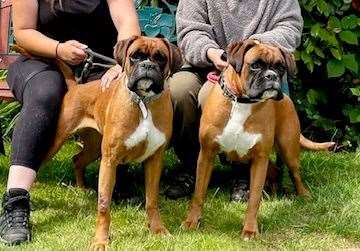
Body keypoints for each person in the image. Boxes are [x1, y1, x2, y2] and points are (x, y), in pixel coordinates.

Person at [0, 0, 140, 246]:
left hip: (100, 64)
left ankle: (119, 175)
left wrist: (121, 64)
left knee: (117, 91)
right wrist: (58, 49)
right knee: (46, 94)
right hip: (42, 60)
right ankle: (16, 200)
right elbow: (23, 32)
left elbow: (127, 23)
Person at [165, 0, 303, 200]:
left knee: (209, 96)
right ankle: (190, 166)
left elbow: (290, 28)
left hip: (255, 71)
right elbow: (189, 31)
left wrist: (252, 47)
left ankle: (243, 171)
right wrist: (212, 53)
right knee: (179, 90)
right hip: (203, 65)